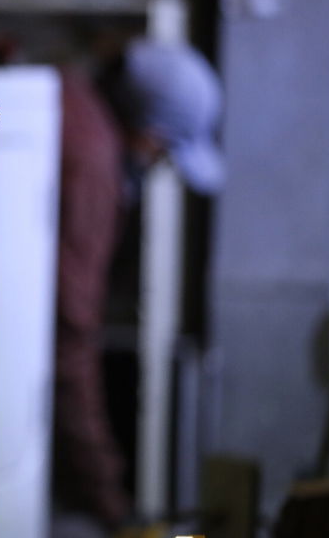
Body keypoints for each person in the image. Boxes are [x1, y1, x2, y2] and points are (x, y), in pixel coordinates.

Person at [53, 39, 223, 534]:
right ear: (149, 134)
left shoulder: (69, 90)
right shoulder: (95, 169)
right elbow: (71, 335)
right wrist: (112, 503)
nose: (158, 163)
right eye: (166, 151)